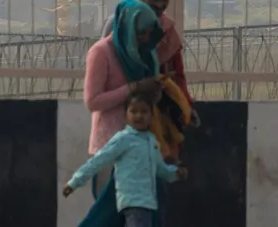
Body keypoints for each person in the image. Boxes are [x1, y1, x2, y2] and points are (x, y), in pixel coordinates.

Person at [63, 90, 187, 227]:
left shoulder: (151, 142)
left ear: (152, 116)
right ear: (126, 115)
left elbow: (160, 169)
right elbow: (98, 160)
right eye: (134, 111)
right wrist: (74, 182)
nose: (139, 115)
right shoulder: (123, 139)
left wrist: (175, 173)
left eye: (144, 111)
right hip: (133, 203)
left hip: (149, 204)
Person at [83, 0, 164, 201]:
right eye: (140, 32)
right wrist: (133, 88)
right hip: (109, 146)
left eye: (148, 33)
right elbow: (92, 101)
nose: (145, 38)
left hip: (139, 146)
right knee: (108, 210)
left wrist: (154, 88)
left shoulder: (144, 53)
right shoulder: (101, 52)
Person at [104, 0, 190, 103]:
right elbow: (105, 69)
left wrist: (186, 105)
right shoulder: (117, 24)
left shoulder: (167, 29)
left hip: (159, 107)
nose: (159, 4)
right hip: (123, 106)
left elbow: (178, 75)